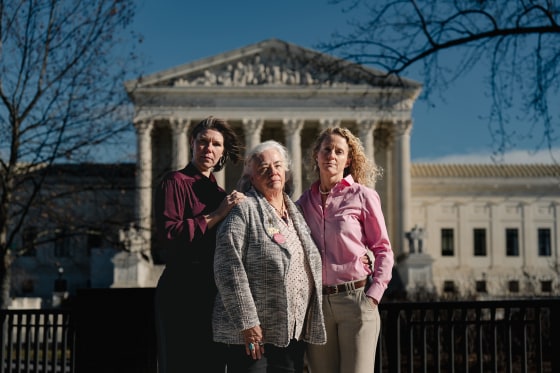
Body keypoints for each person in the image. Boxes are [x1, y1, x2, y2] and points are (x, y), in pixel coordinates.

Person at [212, 140, 326, 373]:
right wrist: (248, 323)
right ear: (252, 177)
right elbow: (228, 267)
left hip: (291, 334)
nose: (272, 172)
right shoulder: (244, 210)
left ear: (286, 171)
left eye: (277, 165)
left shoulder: (296, 214)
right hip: (254, 336)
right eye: (263, 169)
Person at [296, 127, 394, 373]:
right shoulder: (303, 203)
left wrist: (373, 295)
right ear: (316, 155)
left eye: (339, 151)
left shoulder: (363, 196)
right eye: (326, 149)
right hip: (317, 306)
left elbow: (383, 249)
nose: (331, 155)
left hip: (356, 301)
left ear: (348, 160)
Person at [154, 116, 245, 373]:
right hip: (181, 289)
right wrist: (216, 215)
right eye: (203, 142)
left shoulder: (218, 193)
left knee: (212, 364)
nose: (209, 149)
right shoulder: (175, 182)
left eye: (216, 144)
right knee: (180, 363)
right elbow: (170, 234)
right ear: (192, 143)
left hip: (212, 291)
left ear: (223, 152)